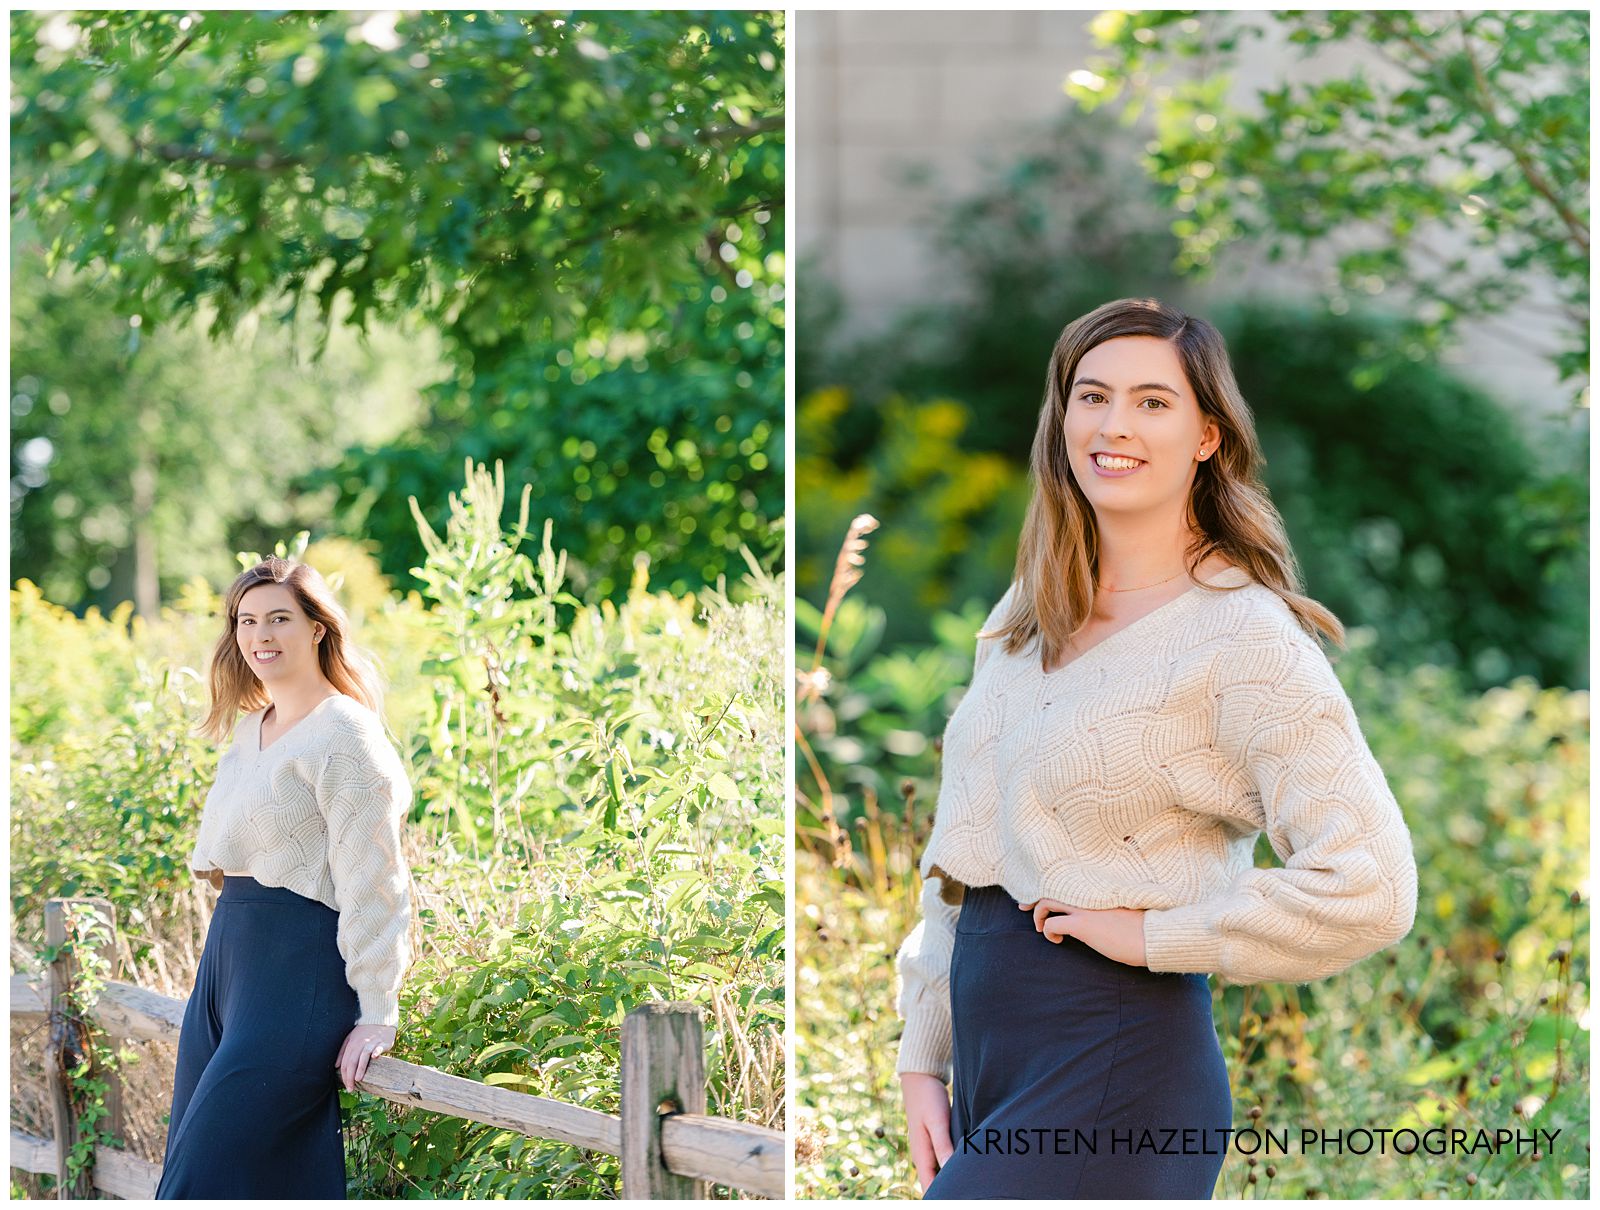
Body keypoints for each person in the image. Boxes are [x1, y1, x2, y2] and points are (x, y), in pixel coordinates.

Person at [894, 298, 1418, 1199]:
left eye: (1152, 402)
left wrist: (1159, 934)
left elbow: (1371, 884)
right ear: (1061, 421)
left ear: (1208, 435)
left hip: (1119, 1067)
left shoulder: (1243, 639)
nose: (1113, 425)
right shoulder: (1025, 618)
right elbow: (965, 856)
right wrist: (922, 1056)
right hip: (997, 1064)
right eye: (1091, 397)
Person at [156, 557, 413, 1199]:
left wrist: (378, 1009)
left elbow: (374, 878)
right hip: (225, 969)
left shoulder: (346, 733)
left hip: (296, 976)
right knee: (219, 1175)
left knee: (196, 1186)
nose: (261, 635)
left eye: (280, 618)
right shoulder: (252, 730)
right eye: (247, 621)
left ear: (317, 629)